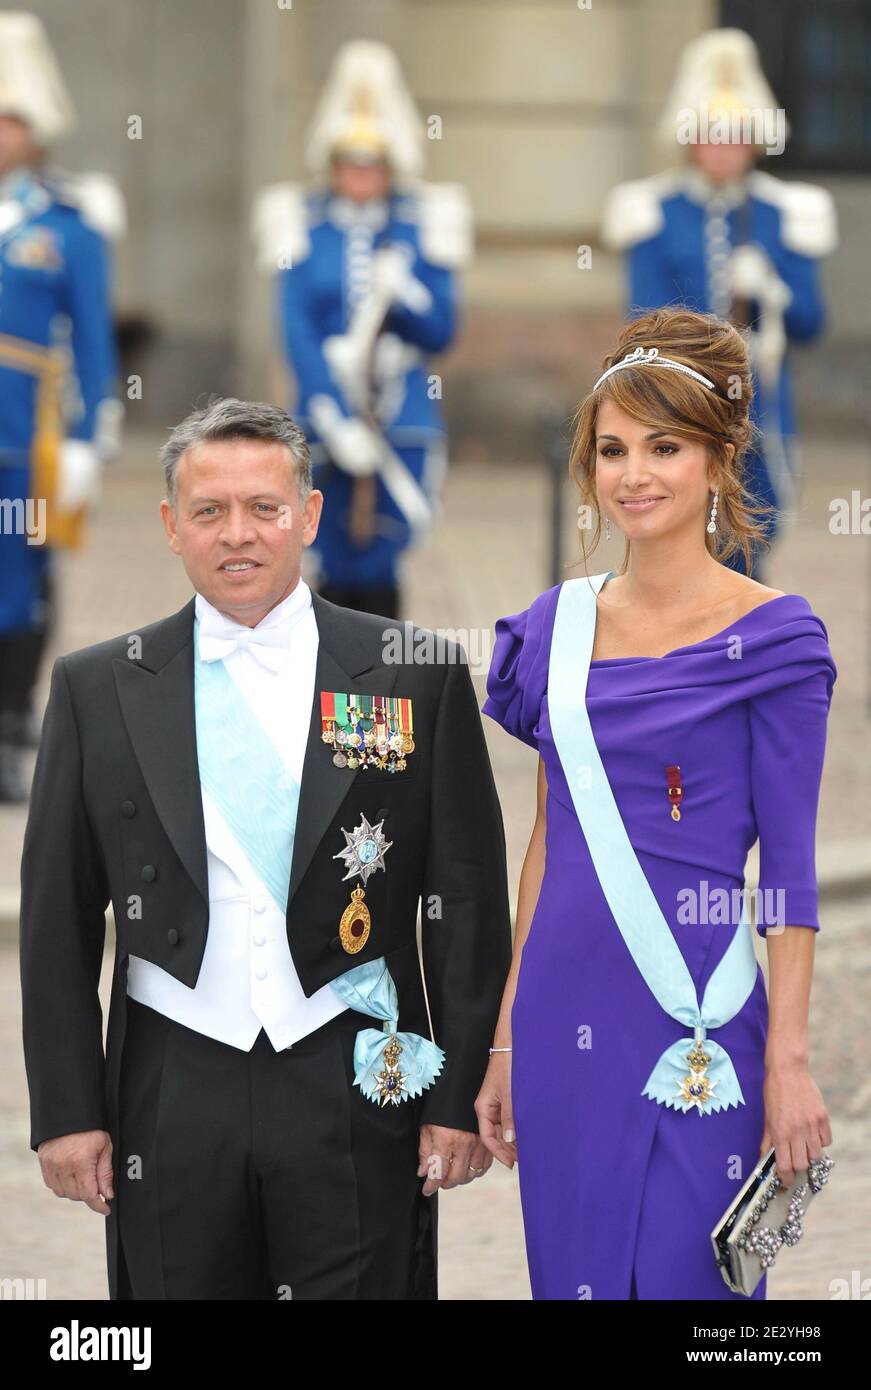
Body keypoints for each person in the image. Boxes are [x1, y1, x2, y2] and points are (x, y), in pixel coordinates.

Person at [19, 397, 511, 1300]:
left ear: (310, 515)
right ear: (171, 525)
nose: (237, 535)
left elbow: (467, 898)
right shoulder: (97, 687)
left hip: (355, 1074)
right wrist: (66, 1111)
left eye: (265, 508)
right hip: (171, 1080)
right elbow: (55, 918)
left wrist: (458, 1097)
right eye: (209, 511)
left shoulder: (414, 668)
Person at [476, 307, 835, 1300]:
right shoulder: (552, 628)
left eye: (663, 447)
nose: (632, 474)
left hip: (702, 1022)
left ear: (719, 461)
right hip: (562, 1014)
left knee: (701, 1294)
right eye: (611, 450)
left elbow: (791, 871)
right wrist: (505, 1035)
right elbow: (549, 837)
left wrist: (791, 1062)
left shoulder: (775, 638)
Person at [601, 28, 837, 579]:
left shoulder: (783, 212)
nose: (723, 147)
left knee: (752, 545)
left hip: (761, 414)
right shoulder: (657, 212)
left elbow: (810, 322)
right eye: (712, 134)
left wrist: (773, 293)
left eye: (734, 135)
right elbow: (644, 322)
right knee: (682, 547)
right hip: (678, 415)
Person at [252, 40, 471, 620]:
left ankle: (376, 703)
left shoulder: (424, 224)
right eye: (350, 160)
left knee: (380, 561)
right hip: (325, 420)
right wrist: (329, 409)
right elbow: (295, 327)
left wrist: (409, 294)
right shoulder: (299, 221)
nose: (360, 173)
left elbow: (442, 331)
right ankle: (323, 699)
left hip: (399, 420)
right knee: (322, 553)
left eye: (372, 162)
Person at [0, 11, 124, 801]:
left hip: (25, 444)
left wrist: (87, 438)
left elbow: (93, 338)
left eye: (11, 120)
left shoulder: (68, 222)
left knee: (21, 582)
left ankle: (11, 725)